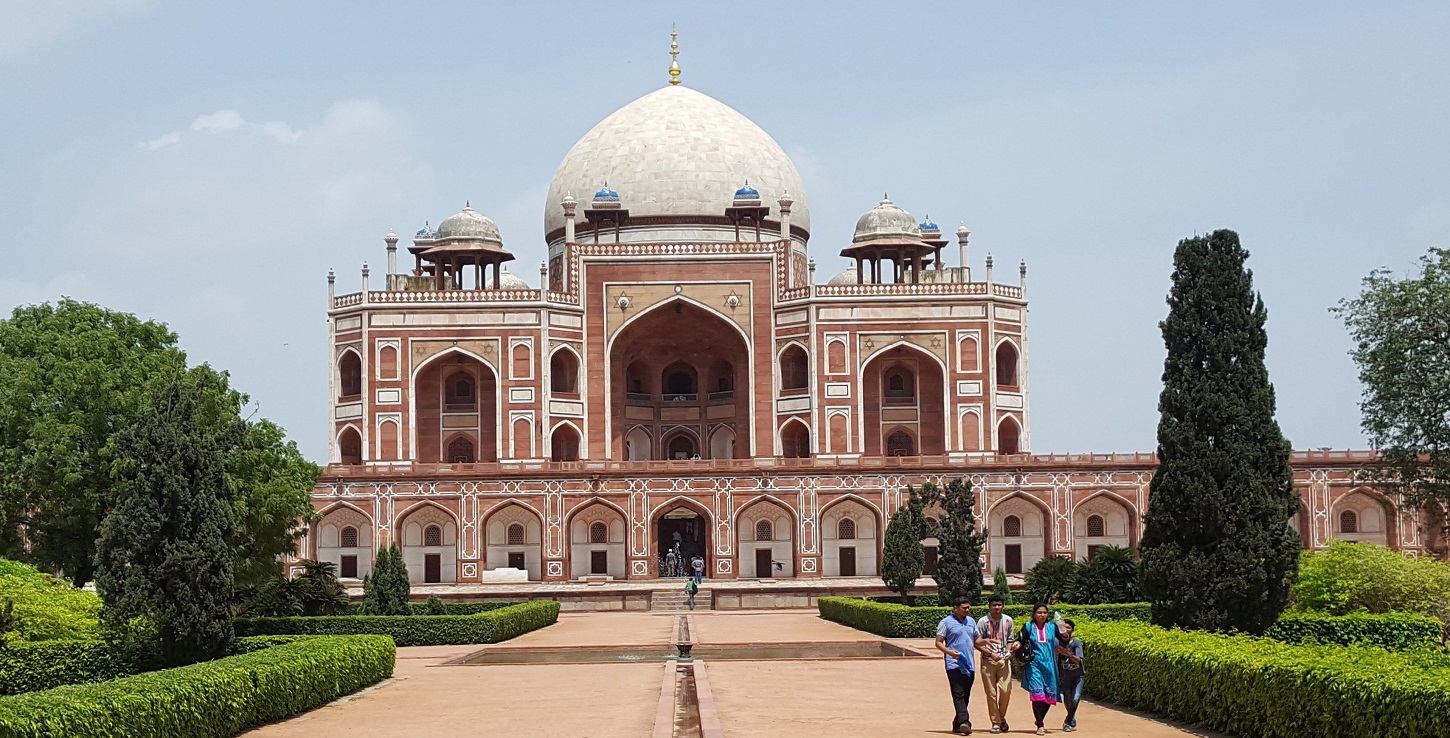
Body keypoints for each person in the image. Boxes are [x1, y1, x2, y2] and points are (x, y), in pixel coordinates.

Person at [973, 594, 1018, 734]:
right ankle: (996, 723)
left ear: (1003, 606)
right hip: (988, 660)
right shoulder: (983, 622)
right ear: (989, 606)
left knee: (1006, 690)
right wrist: (990, 653)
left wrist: (1008, 651)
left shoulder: (1008, 620)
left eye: (999, 605)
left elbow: (1010, 639)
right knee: (991, 693)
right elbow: (976, 642)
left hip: (1004, 660)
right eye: (994, 605)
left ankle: (1001, 717)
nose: (997, 607)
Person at [1016, 603, 1062, 736]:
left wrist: (1064, 630)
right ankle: (1040, 724)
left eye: (1045, 613)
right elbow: (1021, 640)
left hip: (1050, 664)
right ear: (1034, 614)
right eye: (1039, 613)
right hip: (1034, 663)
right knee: (1037, 694)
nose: (1042, 615)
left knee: (1049, 694)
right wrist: (1016, 645)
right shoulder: (1028, 626)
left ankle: (1040, 718)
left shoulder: (1052, 626)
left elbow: (1064, 639)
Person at [934, 597, 977, 735]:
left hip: (969, 663)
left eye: (968, 607)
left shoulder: (971, 621)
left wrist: (988, 642)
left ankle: (957, 723)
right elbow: (938, 642)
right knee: (958, 693)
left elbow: (976, 639)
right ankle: (965, 722)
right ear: (956, 608)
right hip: (953, 664)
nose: (967, 610)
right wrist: (950, 653)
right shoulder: (945, 622)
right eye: (964, 608)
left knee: (966, 695)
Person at [1056, 619, 1085, 732]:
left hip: (1078, 676)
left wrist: (1068, 654)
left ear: (1072, 630)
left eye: (1068, 628)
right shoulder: (1057, 642)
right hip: (1065, 676)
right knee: (1068, 699)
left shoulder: (1076, 643)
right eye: (1063, 627)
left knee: (1076, 698)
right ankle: (1071, 717)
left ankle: (1067, 721)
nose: (1065, 630)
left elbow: (1078, 660)